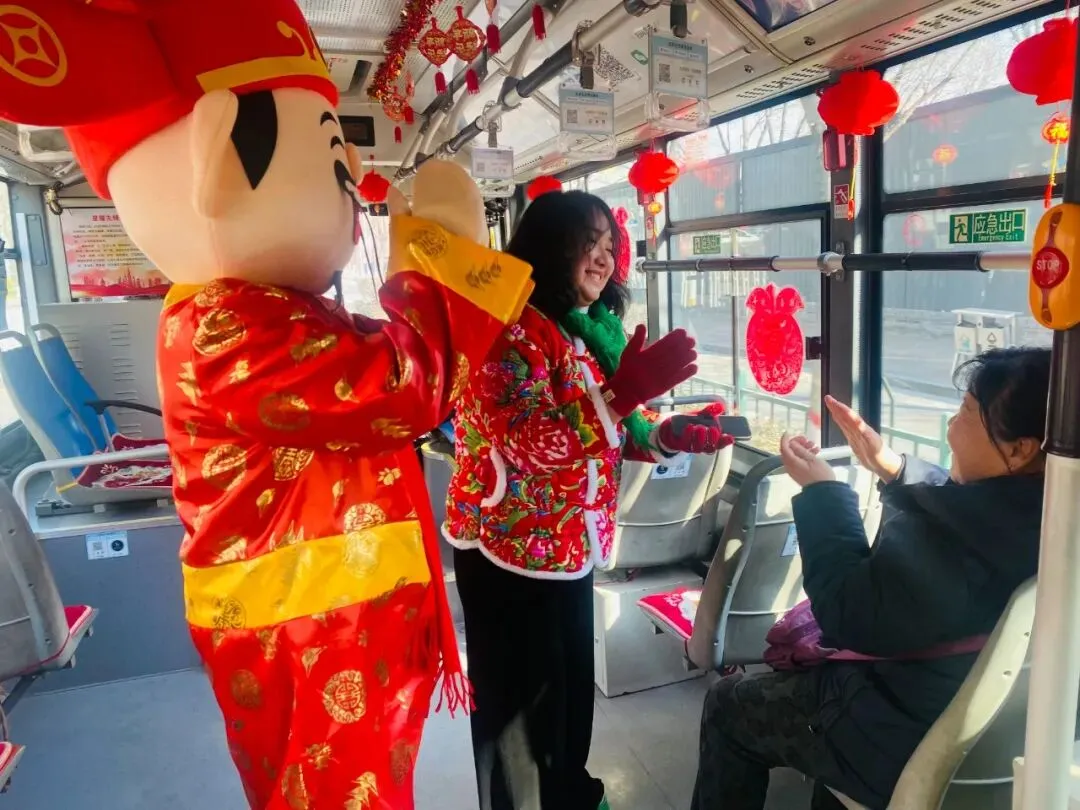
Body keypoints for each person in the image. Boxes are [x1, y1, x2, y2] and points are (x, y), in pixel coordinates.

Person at [0, 4, 537, 807]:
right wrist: (442, 262)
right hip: (308, 625)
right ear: (218, 158)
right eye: (335, 168)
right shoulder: (226, 325)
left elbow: (385, 364)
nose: (353, 202)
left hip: (330, 616)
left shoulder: (269, 309)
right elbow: (402, 386)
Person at [445, 189, 735, 810]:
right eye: (588, 243)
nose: (603, 258)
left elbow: (612, 428)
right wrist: (624, 394)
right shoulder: (506, 331)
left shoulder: (583, 330)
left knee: (570, 697)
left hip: (568, 544)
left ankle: (572, 795)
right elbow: (530, 442)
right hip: (509, 550)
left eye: (610, 245)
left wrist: (666, 435)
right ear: (549, 248)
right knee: (520, 718)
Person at [690, 346, 1051, 810]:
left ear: (1019, 449)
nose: (950, 425)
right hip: (1006, 740)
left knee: (727, 705)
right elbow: (969, 511)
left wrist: (823, 492)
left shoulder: (951, 546)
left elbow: (846, 613)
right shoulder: (1050, 519)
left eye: (965, 412)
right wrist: (895, 469)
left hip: (897, 732)